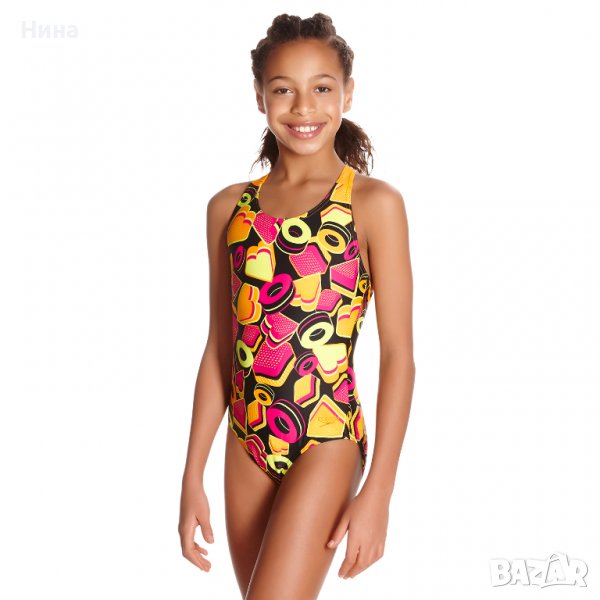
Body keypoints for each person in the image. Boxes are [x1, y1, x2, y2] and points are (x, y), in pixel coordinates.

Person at [179, 12, 415, 599]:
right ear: (260, 96)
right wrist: (192, 474)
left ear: (348, 95)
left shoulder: (373, 204)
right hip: (246, 442)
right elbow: (220, 348)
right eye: (284, 89)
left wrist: (379, 490)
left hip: (326, 435)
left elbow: (399, 355)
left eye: (322, 88)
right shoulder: (228, 210)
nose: (304, 107)